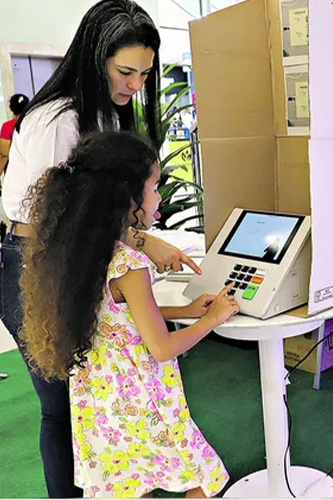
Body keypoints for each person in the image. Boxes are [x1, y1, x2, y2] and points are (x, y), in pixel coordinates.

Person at [1, 1, 202, 497]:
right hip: (36, 261)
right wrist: (140, 242)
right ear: (96, 60)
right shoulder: (56, 121)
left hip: (78, 258)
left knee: (95, 397)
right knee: (63, 403)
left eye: (145, 74)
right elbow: (65, 217)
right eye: (126, 72)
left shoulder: (105, 113)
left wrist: (140, 240)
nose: (135, 85)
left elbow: (100, 210)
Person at [19, 131, 237, 498]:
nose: (159, 197)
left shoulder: (83, 254)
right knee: (202, 476)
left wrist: (184, 310)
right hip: (143, 402)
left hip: (102, 406)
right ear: (127, 195)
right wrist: (211, 319)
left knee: (132, 484)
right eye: (154, 187)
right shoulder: (129, 265)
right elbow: (161, 347)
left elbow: (119, 318)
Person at [0, 94, 29, 172]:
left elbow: (4, 153)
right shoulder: (33, 123)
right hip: (32, 166)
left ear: (11, 108)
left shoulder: (7, 126)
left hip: (15, 169)